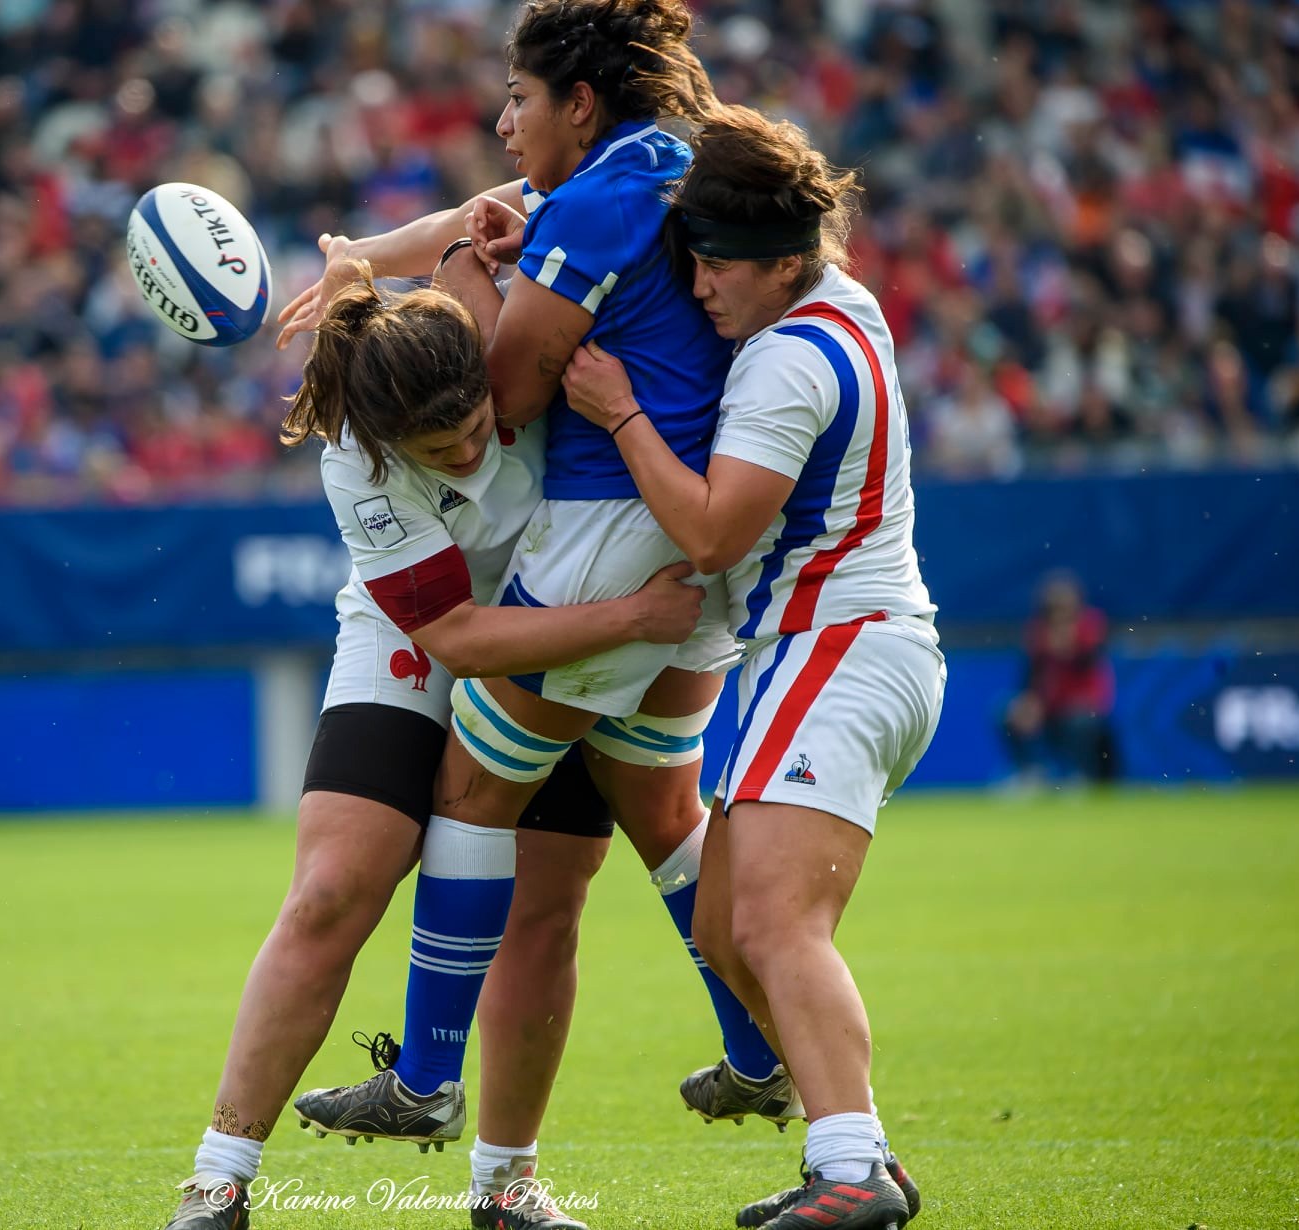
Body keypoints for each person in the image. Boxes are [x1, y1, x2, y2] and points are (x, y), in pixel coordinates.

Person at [277, 7, 796, 1220]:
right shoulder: (691, 158)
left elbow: (497, 398)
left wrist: (474, 280)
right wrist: (384, 254)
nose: (507, 125)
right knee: (666, 807)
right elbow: (501, 235)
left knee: (470, 795)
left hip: (609, 524)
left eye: (520, 98)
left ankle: (426, 1077)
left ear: (581, 99)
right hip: (706, 515)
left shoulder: (594, 201)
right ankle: (762, 1049)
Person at [162, 265, 749, 1230]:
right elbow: (460, 640)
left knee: (547, 912)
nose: (473, 449)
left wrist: (396, 239)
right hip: (425, 637)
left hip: (567, 620)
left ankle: (504, 1188)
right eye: (441, 449)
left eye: (481, 423)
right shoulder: (354, 456)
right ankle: (217, 1182)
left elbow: (510, 209)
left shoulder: (517, 338)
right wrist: (634, 616)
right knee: (332, 890)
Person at [560, 104, 944, 1229]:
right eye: (691, 253)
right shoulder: (840, 298)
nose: (699, 282)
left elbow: (715, 536)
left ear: (785, 262)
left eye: (720, 260)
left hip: (837, 647)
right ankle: (855, 1148)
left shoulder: (783, 361)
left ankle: (854, 1172)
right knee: (725, 930)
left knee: (776, 931)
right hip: (841, 650)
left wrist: (623, 413)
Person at [1002, 571, 1117, 784]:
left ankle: (1081, 775)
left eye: (1064, 606)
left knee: (1080, 721)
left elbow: (1089, 663)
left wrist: (1068, 647)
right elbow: (1031, 674)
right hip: (1049, 710)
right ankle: (1030, 772)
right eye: (1053, 607)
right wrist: (1030, 701)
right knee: (1006, 712)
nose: (1059, 612)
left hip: (1084, 709)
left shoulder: (1090, 625)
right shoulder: (1038, 631)